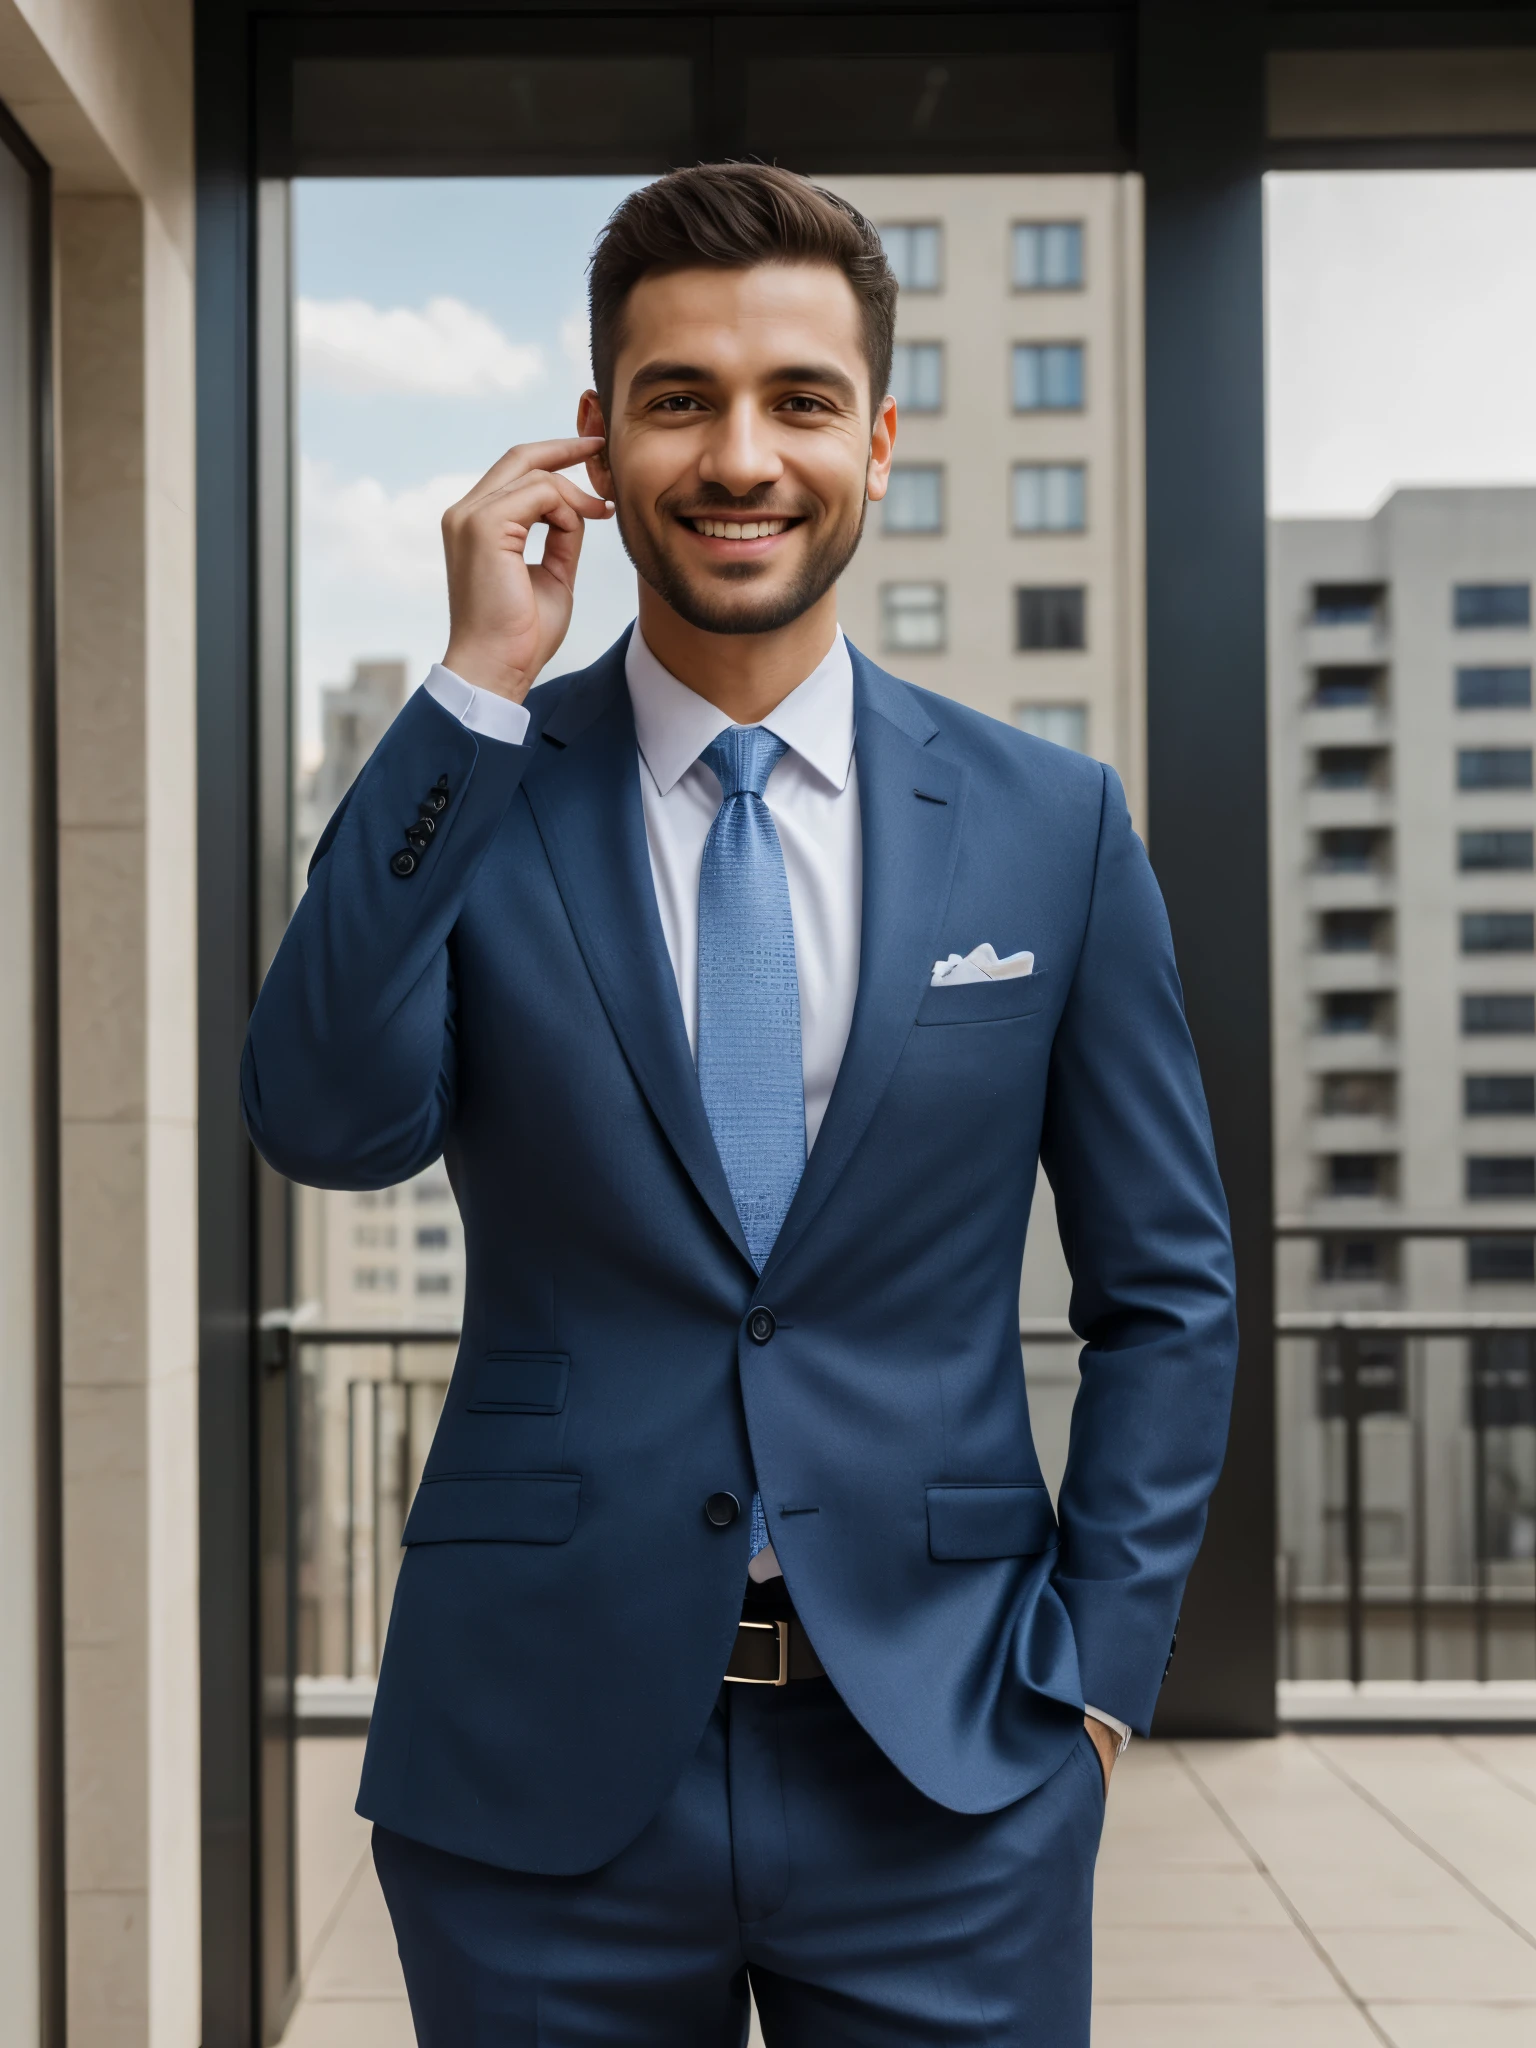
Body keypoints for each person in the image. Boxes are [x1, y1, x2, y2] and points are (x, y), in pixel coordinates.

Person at [243, 162, 1237, 2045]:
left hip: (948, 1764)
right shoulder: (482, 787)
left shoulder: (1053, 830)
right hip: (536, 1768)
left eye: (795, 400)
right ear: (599, 444)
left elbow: (1169, 1294)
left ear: (878, 436)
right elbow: (321, 1117)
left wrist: (1094, 1684)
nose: (741, 456)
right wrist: (470, 690)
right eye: (680, 398)